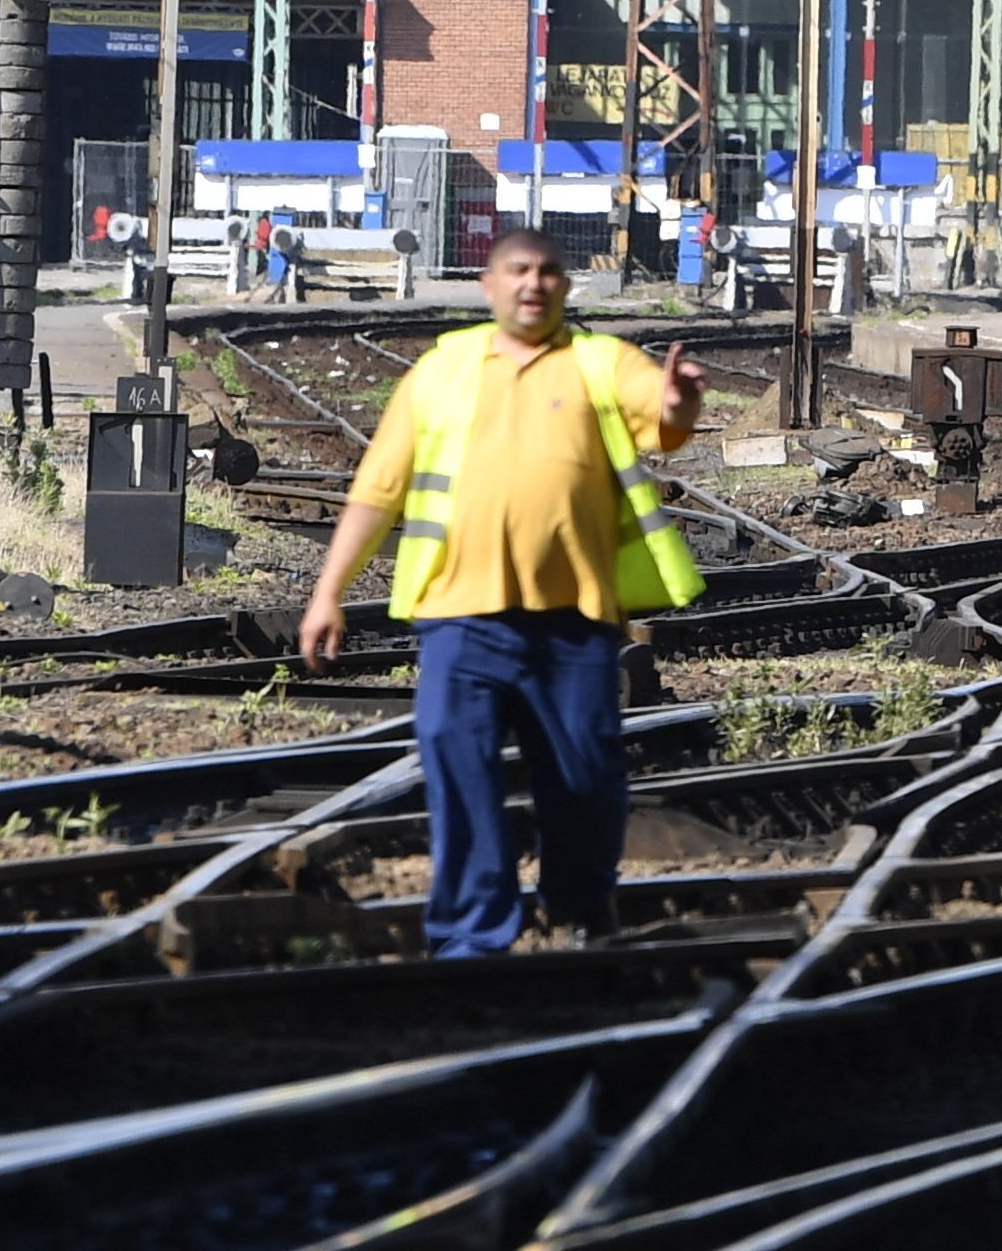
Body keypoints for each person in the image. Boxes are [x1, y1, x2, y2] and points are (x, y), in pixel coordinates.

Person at [298, 232, 706, 957]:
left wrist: (677, 403)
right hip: (460, 615)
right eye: (519, 271)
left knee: (584, 776)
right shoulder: (444, 369)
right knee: (458, 761)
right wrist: (328, 592)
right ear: (488, 285)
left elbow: (663, 417)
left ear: (565, 288)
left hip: (572, 621)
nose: (534, 285)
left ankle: (579, 909)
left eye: (549, 272)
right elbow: (378, 490)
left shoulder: (599, 362)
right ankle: (471, 933)